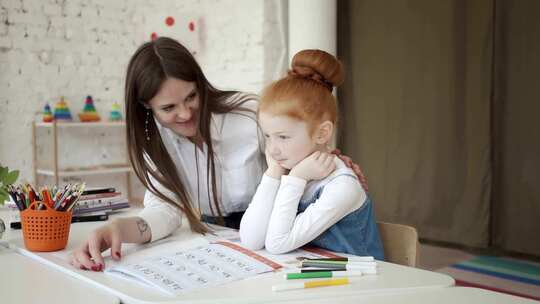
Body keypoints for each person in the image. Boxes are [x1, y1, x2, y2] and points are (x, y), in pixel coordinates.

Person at [69, 37, 364, 272]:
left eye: (191, 97)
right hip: (226, 241)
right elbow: (165, 213)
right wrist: (117, 229)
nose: (185, 114)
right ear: (147, 107)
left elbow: (297, 148)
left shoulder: (247, 115)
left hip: (279, 233)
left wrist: (332, 161)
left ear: (201, 84)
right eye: (168, 109)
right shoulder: (155, 143)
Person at [239, 49, 384, 260]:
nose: (273, 149)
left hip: (358, 284)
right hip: (310, 276)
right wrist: (273, 174)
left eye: (283, 137)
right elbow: (251, 240)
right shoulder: (288, 167)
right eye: (268, 136)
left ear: (322, 133)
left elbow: (277, 243)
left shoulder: (342, 186)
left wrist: (296, 179)